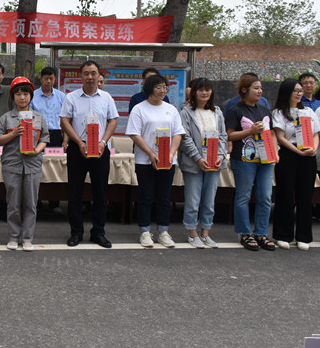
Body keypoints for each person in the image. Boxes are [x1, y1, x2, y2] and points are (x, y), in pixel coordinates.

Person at [60, 61, 119, 248]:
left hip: (100, 149)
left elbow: (113, 121)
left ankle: (98, 232)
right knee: (75, 193)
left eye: (93, 73)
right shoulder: (72, 97)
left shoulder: (106, 98)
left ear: (99, 75)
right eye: (86, 73)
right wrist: (79, 142)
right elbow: (65, 121)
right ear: (81, 76)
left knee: (100, 193)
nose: (90, 77)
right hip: (77, 148)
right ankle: (76, 232)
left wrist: (103, 142)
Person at [126, 74, 184, 248]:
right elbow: (134, 133)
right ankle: (145, 231)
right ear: (149, 88)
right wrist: (151, 154)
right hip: (145, 160)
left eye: (165, 87)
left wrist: (171, 153)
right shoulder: (139, 109)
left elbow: (178, 133)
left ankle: (163, 231)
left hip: (167, 160)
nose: (162, 90)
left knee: (164, 197)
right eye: (158, 87)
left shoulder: (171, 109)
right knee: (145, 196)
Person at [225, 73, 278, 251]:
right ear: (244, 90)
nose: (260, 91)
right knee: (243, 196)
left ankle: (261, 233)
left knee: (265, 196)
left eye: (261, 88)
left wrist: (275, 151)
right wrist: (250, 131)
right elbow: (230, 135)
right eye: (256, 88)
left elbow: (272, 133)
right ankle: (245, 233)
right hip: (244, 159)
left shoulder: (264, 109)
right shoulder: (235, 110)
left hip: (266, 159)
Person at [0, 77, 49, 251]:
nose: (22, 97)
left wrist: (37, 150)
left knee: (31, 203)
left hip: (33, 164)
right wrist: (13, 133)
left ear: (31, 96)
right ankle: (13, 236)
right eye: (18, 94)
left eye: (25, 94)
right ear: (13, 97)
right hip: (12, 165)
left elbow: (44, 138)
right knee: (13, 203)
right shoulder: (6, 118)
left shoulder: (39, 118)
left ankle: (27, 238)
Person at [178, 78, 228, 248]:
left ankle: (206, 233)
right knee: (192, 200)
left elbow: (223, 136)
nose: (204, 93)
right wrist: (198, 158)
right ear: (193, 92)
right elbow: (185, 138)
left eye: (207, 89)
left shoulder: (217, 112)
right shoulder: (186, 112)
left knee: (209, 201)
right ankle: (192, 234)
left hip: (214, 163)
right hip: (194, 163)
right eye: (200, 90)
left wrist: (221, 155)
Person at [271, 78, 319, 251]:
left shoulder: (308, 111)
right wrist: (298, 151)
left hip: (308, 156)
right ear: (287, 93)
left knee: (305, 196)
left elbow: (316, 133)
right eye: (296, 91)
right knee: (285, 195)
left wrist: (313, 149)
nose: (299, 94)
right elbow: (280, 137)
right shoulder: (278, 113)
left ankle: (304, 236)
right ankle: (282, 235)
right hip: (288, 155)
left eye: (300, 91)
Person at [31, 66, 66, 213]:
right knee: (38, 165)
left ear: (55, 79)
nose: (49, 81)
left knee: (56, 166)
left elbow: (66, 119)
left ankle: (54, 203)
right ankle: (37, 201)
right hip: (38, 135)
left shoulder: (61, 96)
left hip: (57, 134)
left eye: (51, 78)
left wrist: (65, 140)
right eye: (46, 78)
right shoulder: (33, 95)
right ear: (41, 79)